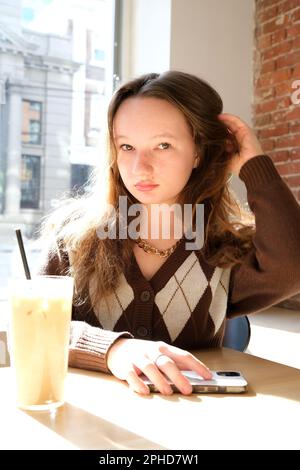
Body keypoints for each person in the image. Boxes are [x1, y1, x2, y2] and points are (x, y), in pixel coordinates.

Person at [37, 71, 300, 396]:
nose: (139, 167)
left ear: (198, 153)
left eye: (163, 145)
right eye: (127, 146)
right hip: (91, 425)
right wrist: (114, 350)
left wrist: (254, 165)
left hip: (187, 423)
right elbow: (37, 327)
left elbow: (292, 267)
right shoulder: (74, 237)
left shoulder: (224, 247)